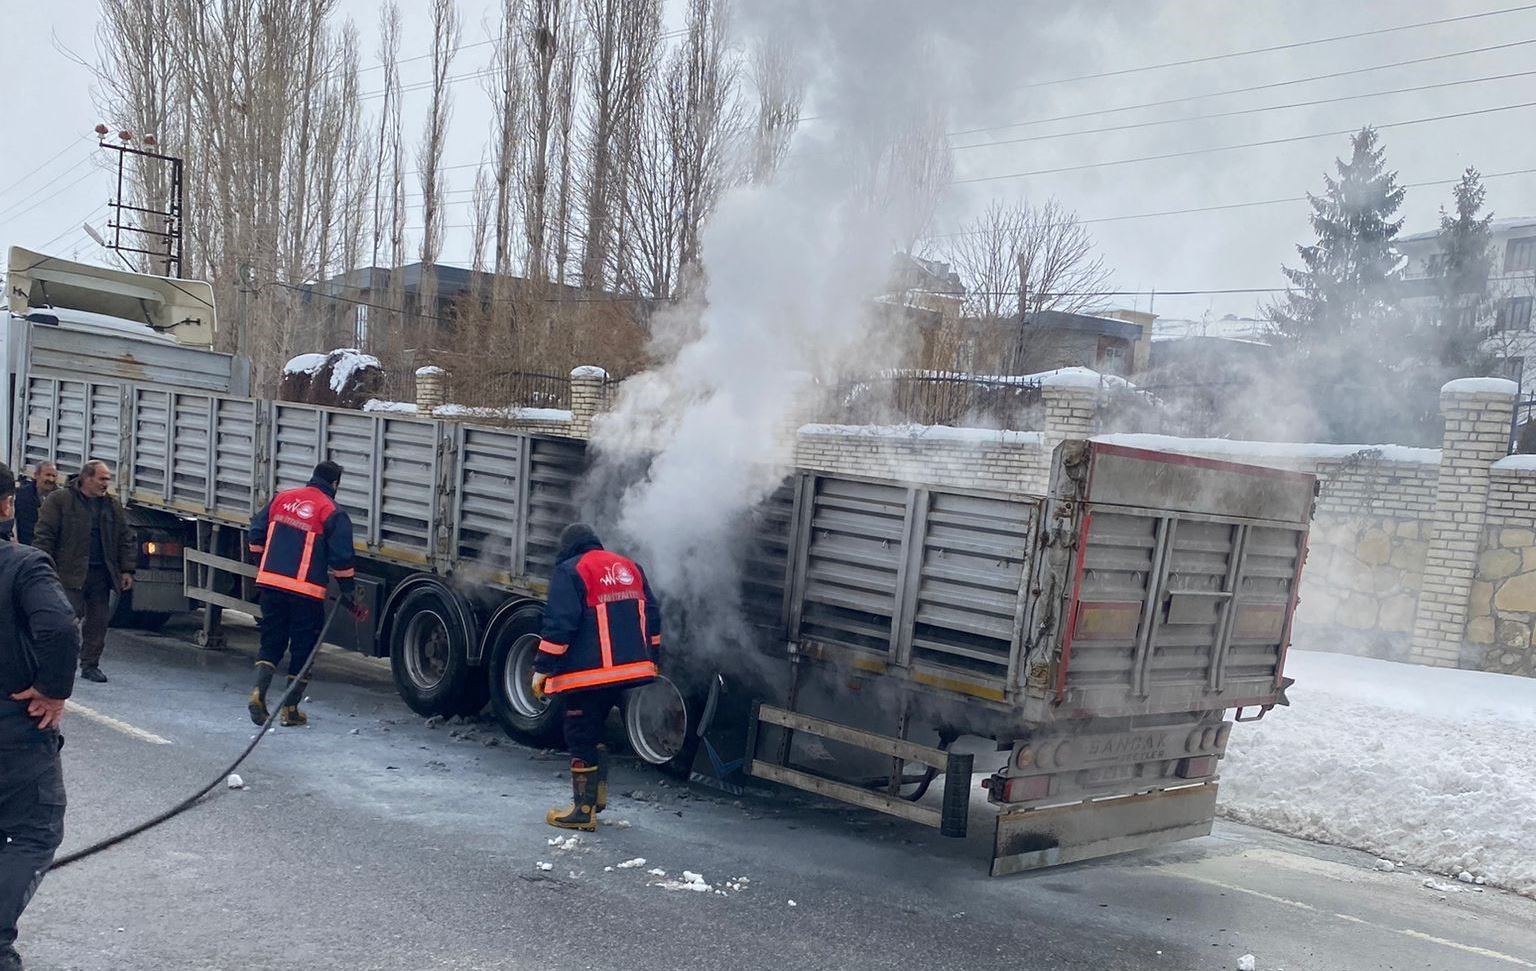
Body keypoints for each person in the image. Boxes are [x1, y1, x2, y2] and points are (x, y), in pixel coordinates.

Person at [0, 461, 82, 971]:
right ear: (6, 505)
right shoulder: (22, 565)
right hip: (12, 726)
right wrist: (52, 692)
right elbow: (59, 627)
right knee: (32, 830)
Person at [531, 523, 662, 832]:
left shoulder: (571, 570)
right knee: (595, 730)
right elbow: (653, 616)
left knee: (579, 733)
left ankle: (582, 810)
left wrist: (542, 667)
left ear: (568, 547)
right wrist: (652, 659)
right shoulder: (631, 567)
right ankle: (597, 797)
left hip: (588, 673)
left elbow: (560, 624)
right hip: (629, 670)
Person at [246, 460, 363, 727]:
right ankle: (290, 709)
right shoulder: (331, 511)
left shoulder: (282, 499)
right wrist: (348, 592)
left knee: (271, 641)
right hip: (305, 593)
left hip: (271, 586)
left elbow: (255, 534)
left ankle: (258, 693)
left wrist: (262, 563)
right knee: (303, 649)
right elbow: (342, 560)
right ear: (335, 484)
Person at [31, 461, 135, 684]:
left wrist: (126, 569)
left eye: (107, 479)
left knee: (98, 622)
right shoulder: (60, 500)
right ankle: (53, 664)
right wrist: (42, 566)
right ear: (87, 478)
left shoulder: (111, 506)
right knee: (64, 622)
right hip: (68, 573)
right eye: (102, 479)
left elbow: (124, 538)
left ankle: (90, 665)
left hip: (100, 573)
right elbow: (45, 534)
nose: (106, 484)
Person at [14, 463, 59, 547]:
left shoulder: (60, 499)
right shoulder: (21, 495)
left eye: (54, 476)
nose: (51, 479)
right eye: (48, 475)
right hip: (25, 546)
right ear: (36, 475)